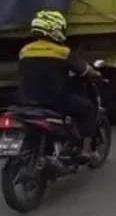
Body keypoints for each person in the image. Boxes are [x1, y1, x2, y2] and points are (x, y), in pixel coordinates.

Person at [17, 10, 101, 162]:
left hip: (26, 101)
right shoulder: (62, 52)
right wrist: (96, 74)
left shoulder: (24, 51)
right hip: (55, 103)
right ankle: (87, 150)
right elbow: (85, 71)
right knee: (87, 107)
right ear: (55, 30)